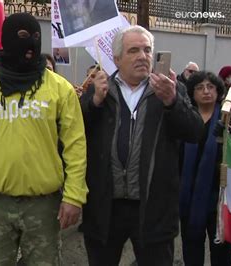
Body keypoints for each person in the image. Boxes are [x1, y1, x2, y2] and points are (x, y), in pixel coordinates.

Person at [0, 13, 87, 265]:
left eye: (35, 38)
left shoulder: (59, 88)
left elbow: (76, 146)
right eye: (22, 37)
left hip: (43, 205)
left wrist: (74, 195)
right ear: (7, 40)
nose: (30, 44)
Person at [80, 25, 203, 265]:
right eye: (133, 50)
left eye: (147, 50)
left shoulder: (169, 88)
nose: (142, 56)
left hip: (153, 208)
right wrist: (93, 102)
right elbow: (75, 133)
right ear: (116, 59)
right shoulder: (99, 89)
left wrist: (172, 102)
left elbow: (195, 132)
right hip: (106, 207)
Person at [180, 71, 231, 266]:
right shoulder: (185, 118)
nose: (205, 91)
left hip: (219, 198)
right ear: (192, 93)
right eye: (200, 88)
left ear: (218, 91)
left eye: (210, 87)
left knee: (221, 252)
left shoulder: (229, 119)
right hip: (189, 197)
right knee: (191, 249)